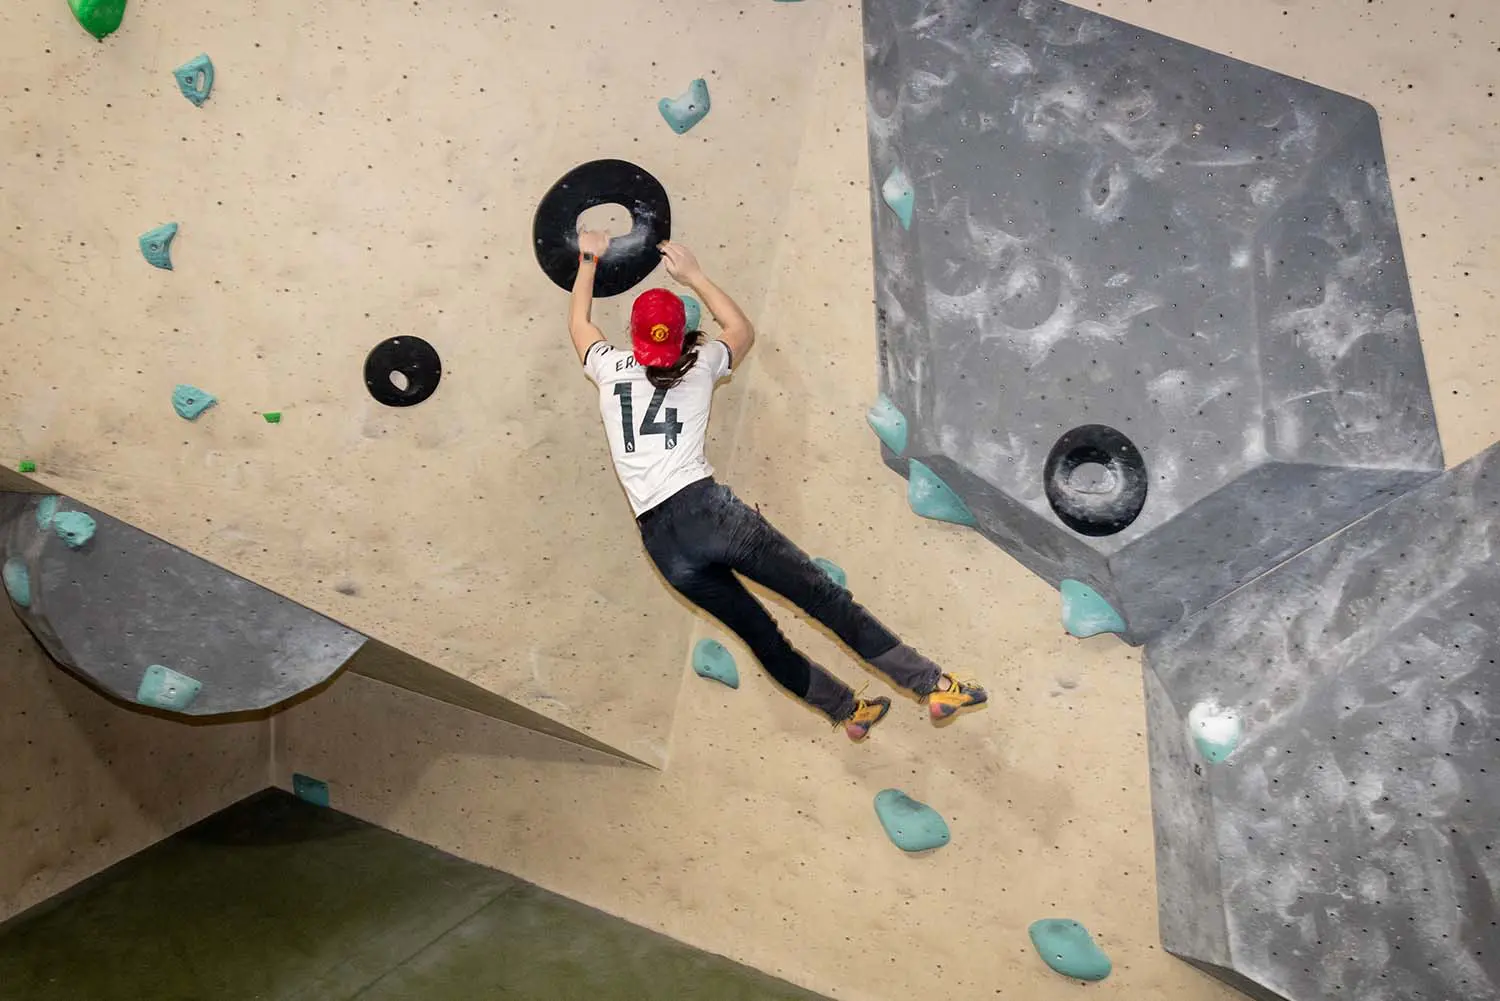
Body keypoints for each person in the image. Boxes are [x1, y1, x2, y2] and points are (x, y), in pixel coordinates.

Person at [566, 227, 988, 741]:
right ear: (680, 338)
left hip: (661, 544)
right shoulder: (699, 364)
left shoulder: (609, 368)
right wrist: (694, 275)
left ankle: (847, 712)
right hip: (708, 513)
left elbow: (579, 322)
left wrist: (589, 257)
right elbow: (740, 328)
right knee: (823, 599)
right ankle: (932, 685)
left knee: (763, 637)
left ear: (633, 336)